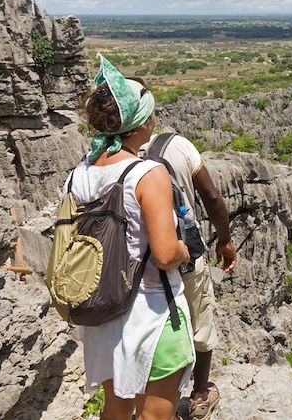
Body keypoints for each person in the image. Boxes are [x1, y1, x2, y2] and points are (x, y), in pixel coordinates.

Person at [69, 56, 194, 420]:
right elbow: (166, 254)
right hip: (153, 314)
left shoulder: (80, 173)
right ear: (141, 122)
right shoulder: (146, 173)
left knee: (116, 410)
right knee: (155, 415)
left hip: (103, 313)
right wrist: (187, 251)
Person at [142, 132, 237, 420]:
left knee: (151, 330)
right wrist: (224, 240)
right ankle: (199, 395)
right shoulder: (177, 145)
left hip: (141, 264)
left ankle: (149, 400)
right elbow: (212, 196)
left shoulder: (116, 153)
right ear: (147, 115)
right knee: (200, 321)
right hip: (183, 256)